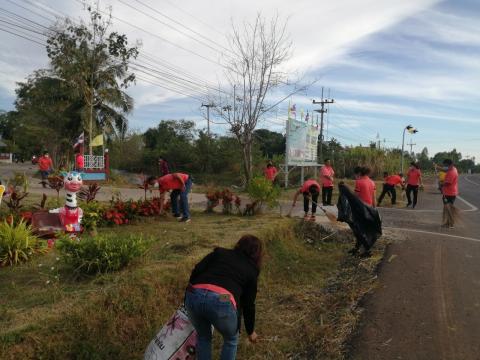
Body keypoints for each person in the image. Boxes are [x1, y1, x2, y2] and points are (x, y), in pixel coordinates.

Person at [185, 235, 262, 360]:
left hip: (194, 294)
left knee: (203, 337)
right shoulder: (252, 270)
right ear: (257, 253)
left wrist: (195, 292)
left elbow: (197, 269)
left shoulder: (220, 253)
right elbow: (248, 304)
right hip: (221, 298)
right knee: (231, 339)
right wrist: (250, 331)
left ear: (238, 245)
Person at [440, 159, 459, 228]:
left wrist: (441, 183)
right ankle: (448, 223)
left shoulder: (452, 172)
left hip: (449, 193)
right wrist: (438, 167)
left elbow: (448, 183)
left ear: (450, 165)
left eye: (445, 165)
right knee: (448, 209)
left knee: (448, 209)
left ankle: (451, 223)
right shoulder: (453, 169)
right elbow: (445, 170)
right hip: (449, 192)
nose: (445, 167)